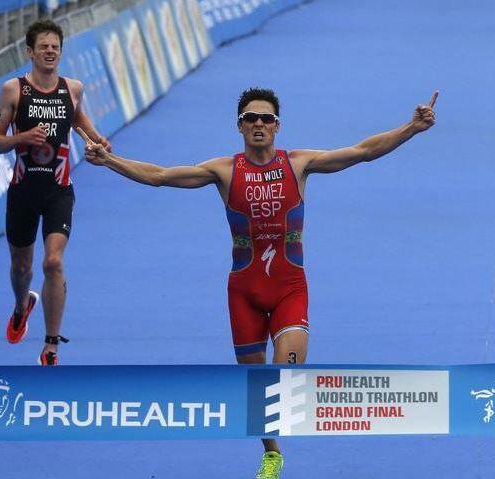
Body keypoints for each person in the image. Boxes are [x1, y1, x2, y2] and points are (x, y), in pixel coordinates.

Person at [82, 87, 437, 478]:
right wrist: (110, 161)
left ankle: (275, 432)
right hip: (243, 294)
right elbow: (161, 177)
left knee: (281, 381)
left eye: (266, 118)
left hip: (289, 289)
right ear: (239, 126)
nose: (258, 124)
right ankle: (272, 454)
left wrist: (411, 128)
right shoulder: (223, 171)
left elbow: (363, 151)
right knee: (255, 387)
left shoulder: (300, 164)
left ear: (277, 126)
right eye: (250, 118)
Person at [0, 19, 110, 366]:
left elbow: (78, 119)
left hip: (59, 191)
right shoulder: (13, 90)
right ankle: (20, 305)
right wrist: (22, 138)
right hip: (23, 192)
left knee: (53, 262)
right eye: (43, 46)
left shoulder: (72, 88)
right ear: (30, 51)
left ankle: (51, 345)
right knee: (21, 269)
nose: (49, 51)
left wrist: (96, 139)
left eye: (55, 46)